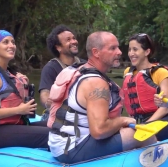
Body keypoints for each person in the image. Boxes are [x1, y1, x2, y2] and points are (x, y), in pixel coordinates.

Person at [47, 31, 156, 164]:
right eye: (112, 48)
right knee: (145, 135)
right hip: (71, 149)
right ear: (96, 52)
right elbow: (99, 130)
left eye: (118, 47)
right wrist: (124, 120)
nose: (120, 52)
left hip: (60, 144)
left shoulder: (80, 69)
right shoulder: (96, 83)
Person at [0, 30, 49, 151]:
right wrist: (19, 110)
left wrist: (23, 86)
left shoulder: (10, 73)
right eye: (5, 42)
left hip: (14, 125)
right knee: (52, 135)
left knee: (59, 127)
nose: (11, 45)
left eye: (13, 42)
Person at [122, 33, 168, 141]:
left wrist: (146, 124)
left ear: (147, 52)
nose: (131, 53)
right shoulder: (127, 72)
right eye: (129, 49)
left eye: (135, 49)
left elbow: (164, 108)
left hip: (163, 119)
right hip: (140, 122)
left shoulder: (161, 72)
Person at [39, 25, 85, 121]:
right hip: (57, 116)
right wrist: (48, 102)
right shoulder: (50, 68)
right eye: (68, 40)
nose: (74, 42)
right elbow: (44, 93)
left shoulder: (85, 65)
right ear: (58, 47)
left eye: (74, 38)